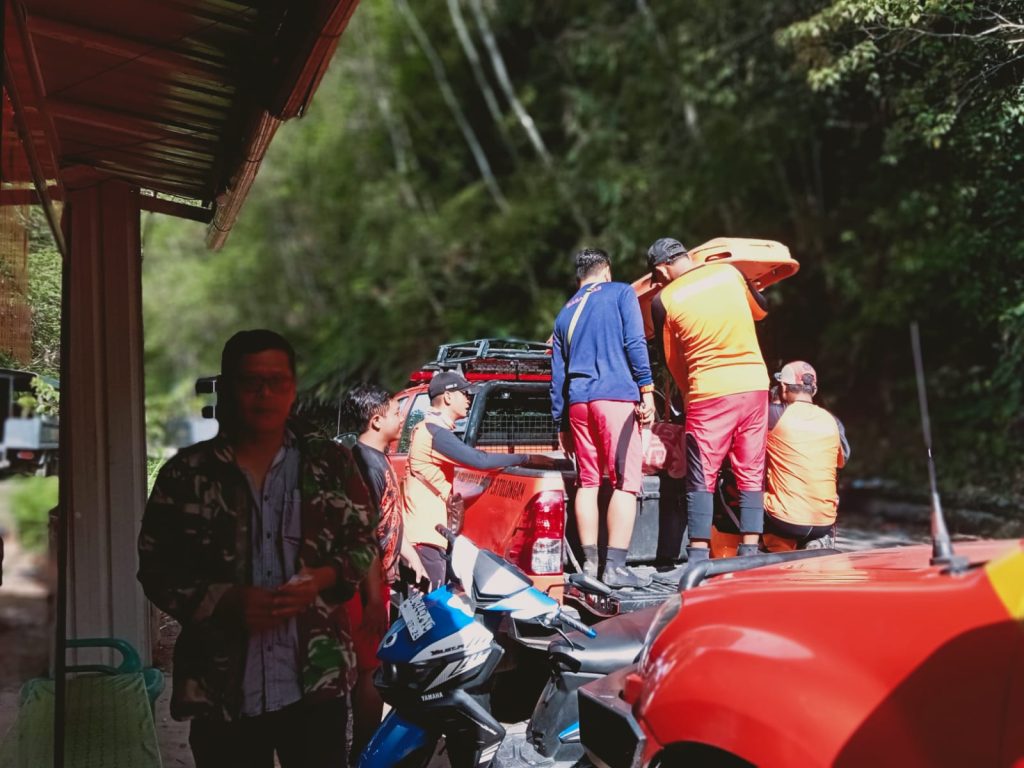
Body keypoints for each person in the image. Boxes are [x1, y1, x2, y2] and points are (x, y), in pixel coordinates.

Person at [138, 330, 378, 768]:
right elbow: (155, 567)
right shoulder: (187, 474)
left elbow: (363, 540)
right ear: (228, 388)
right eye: (251, 381)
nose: (264, 393)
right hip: (221, 691)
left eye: (277, 381)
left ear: (293, 389)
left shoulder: (331, 464)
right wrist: (223, 600)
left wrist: (322, 578)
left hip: (314, 683)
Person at [647, 237, 769, 561]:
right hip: (755, 383)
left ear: (662, 269)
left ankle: (699, 555)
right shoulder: (729, 273)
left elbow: (671, 360)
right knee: (751, 466)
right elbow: (761, 311)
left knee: (703, 471)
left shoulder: (664, 300)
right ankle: (750, 549)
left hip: (710, 390)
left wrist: (687, 393)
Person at [551, 248, 656, 588]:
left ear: (578, 278)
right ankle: (615, 567)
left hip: (578, 403)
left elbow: (557, 375)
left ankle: (589, 565)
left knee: (588, 482)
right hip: (615, 396)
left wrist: (561, 422)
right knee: (626, 481)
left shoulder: (564, 314)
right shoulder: (621, 292)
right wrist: (647, 388)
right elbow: (635, 342)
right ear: (607, 270)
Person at [340, 384, 428, 764]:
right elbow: (361, 537)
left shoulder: (379, 459)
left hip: (378, 583)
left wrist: (410, 556)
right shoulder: (363, 465)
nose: (401, 416)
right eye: (394, 411)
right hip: (364, 587)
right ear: (375, 421)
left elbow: (386, 521)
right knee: (368, 670)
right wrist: (374, 598)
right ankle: (363, 751)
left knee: (371, 666)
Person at [404, 370, 530, 587]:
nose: (469, 399)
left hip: (425, 533)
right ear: (448, 397)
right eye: (464, 394)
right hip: (426, 535)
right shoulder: (434, 433)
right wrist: (526, 458)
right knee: (428, 603)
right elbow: (479, 460)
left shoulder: (430, 429)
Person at [763, 361, 850, 550]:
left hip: (784, 520)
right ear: (814, 390)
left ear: (783, 387)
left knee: (745, 491)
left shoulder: (773, 416)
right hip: (824, 521)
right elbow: (842, 460)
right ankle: (821, 539)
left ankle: (754, 547)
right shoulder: (832, 421)